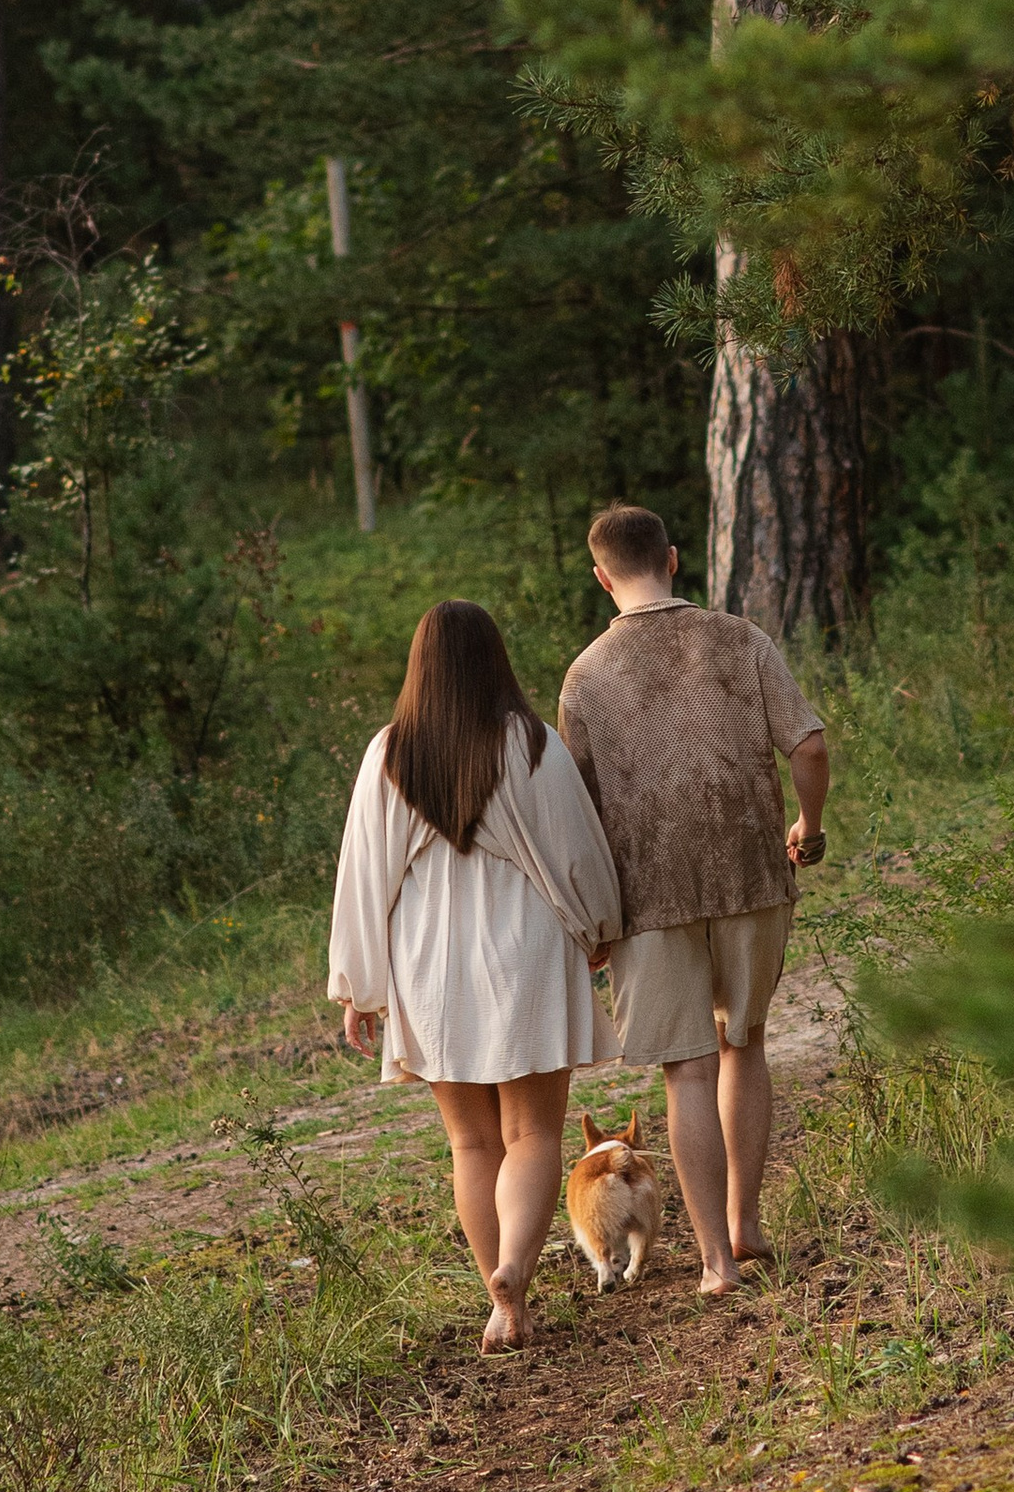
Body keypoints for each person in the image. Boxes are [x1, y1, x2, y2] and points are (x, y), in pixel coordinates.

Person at [329, 596, 622, 1351]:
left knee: (471, 1144)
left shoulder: (389, 753)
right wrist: (600, 927)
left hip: (429, 961)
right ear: (495, 660)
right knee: (532, 1132)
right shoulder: (531, 743)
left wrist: (359, 984)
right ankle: (516, 1276)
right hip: (525, 945)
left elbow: (365, 877)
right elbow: (578, 851)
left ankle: (498, 1291)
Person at [557, 504, 830, 1297]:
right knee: (744, 1042)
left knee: (686, 1072)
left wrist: (594, 921)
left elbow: (578, 813)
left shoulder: (584, 677)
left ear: (604, 577)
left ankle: (715, 1262)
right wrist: (807, 828)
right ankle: (746, 1225)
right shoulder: (740, 639)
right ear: (673, 560)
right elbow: (808, 745)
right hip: (749, 872)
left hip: (649, 898)